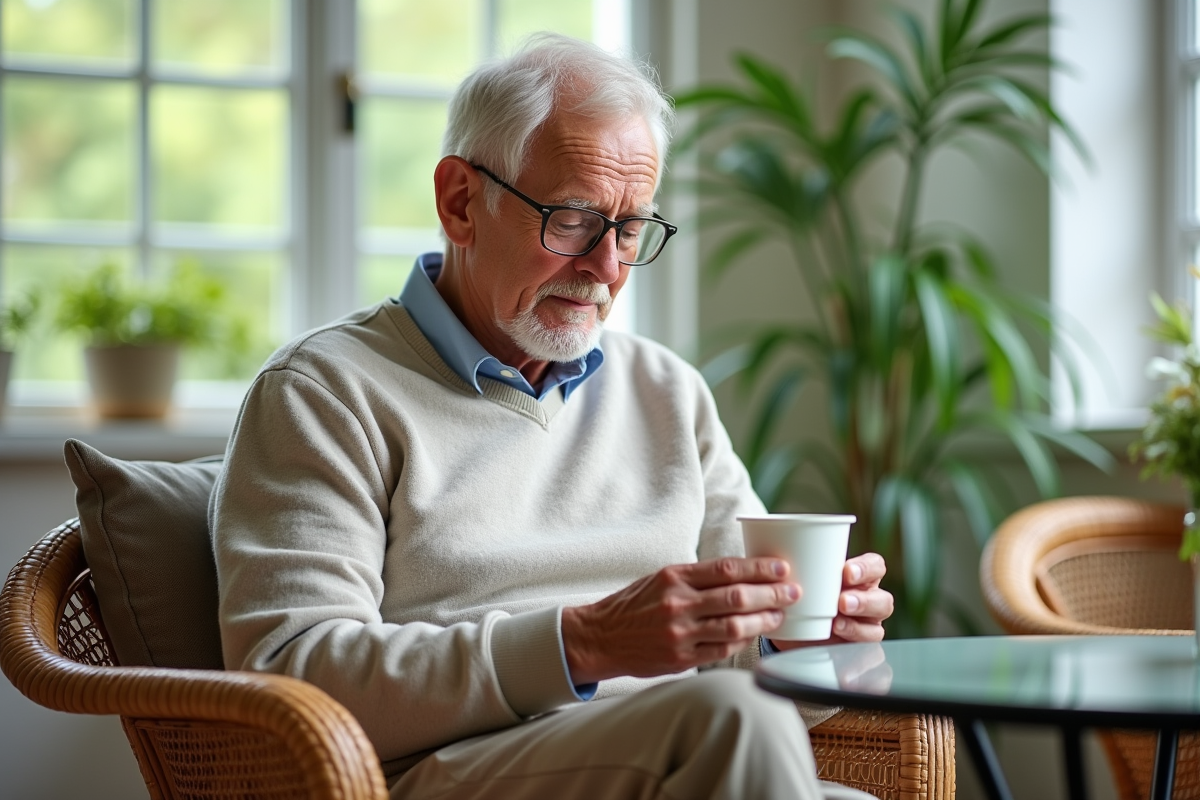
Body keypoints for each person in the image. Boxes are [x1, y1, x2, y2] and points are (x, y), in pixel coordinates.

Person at [211, 32, 893, 800]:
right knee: (730, 720)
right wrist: (583, 643)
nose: (606, 268)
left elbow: (750, 670)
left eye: (630, 228)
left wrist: (803, 639)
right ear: (460, 202)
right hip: (444, 772)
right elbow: (293, 672)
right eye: (572, 220)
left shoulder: (666, 392)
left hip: (688, 760)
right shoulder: (325, 391)